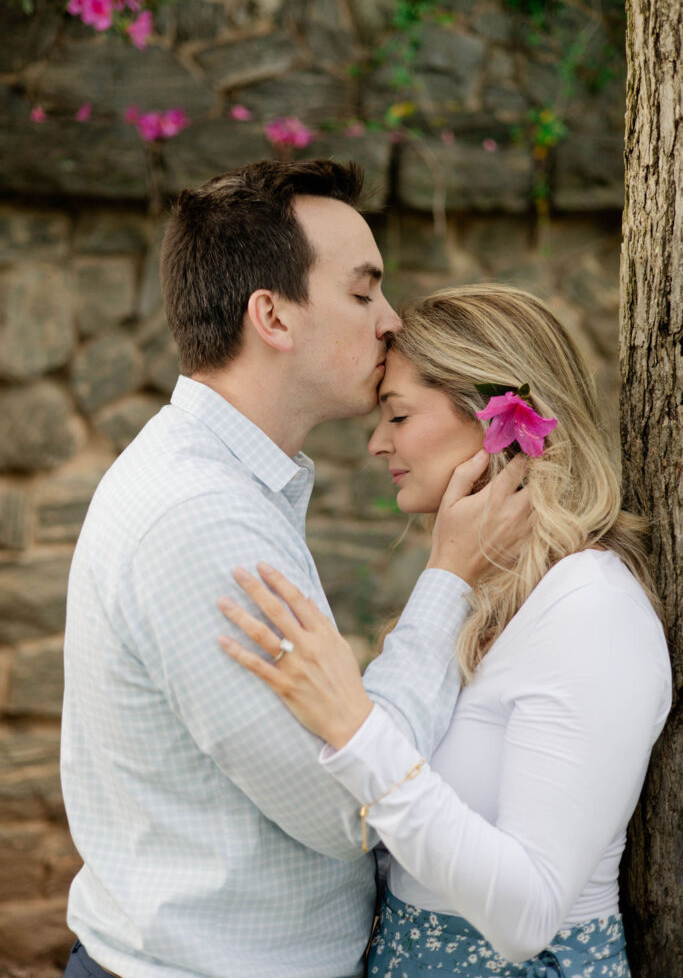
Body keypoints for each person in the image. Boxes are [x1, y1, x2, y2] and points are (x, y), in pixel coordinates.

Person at [60, 163, 532, 978]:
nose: (389, 321)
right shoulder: (201, 517)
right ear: (271, 315)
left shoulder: (227, 483)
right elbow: (346, 804)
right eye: (362, 292)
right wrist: (451, 576)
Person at [218, 284, 672, 978]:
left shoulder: (590, 609)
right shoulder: (484, 597)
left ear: (497, 423)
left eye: (397, 415)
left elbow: (529, 913)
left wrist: (354, 727)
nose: (376, 443)